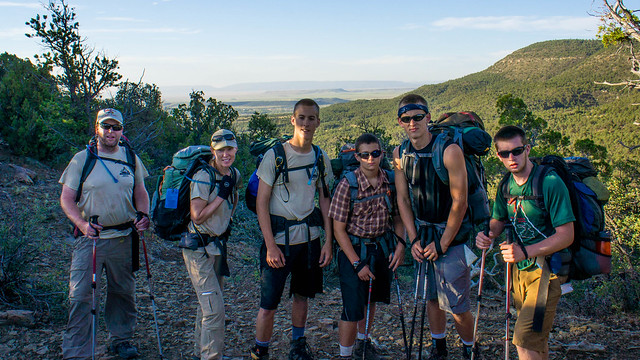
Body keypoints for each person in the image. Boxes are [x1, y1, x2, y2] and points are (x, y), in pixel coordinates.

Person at [475, 125, 574, 360]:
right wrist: (486, 235)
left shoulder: (549, 183)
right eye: (504, 153)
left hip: (547, 270)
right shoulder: (506, 185)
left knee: (523, 339)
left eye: (517, 151)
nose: (512, 158)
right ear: (497, 155)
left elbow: (566, 235)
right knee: (535, 340)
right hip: (519, 272)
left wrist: (524, 251)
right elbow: (497, 222)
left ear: (527, 149)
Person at [59, 108, 150, 359]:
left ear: (122, 130)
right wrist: (82, 224)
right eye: (106, 126)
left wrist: (143, 215)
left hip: (124, 236)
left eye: (116, 127)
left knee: (123, 292)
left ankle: (121, 340)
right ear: (97, 128)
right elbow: (66, 199)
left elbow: (140, 191)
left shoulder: (131, 157)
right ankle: (77, 352)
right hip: (91, 239)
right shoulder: (81, 160)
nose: (111, 132)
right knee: (81, 296)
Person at [393, 94, 475, 360]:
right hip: (423, 233)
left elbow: (459, 202)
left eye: (418, 117)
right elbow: (403, 199)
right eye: (406, 119)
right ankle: (439, 347)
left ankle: (469, 349)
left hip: (451, 235)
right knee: (431, 296)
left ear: (428, 117)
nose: (412, 123)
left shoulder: (449, 151)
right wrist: (413, 239)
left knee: (456, 302)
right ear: (400, 122)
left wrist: (442, 243)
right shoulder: (400, 153)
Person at [250, 98, 333, 360]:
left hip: (309, 240)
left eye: (311, 118)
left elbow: (324, 199)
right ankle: (260, 349)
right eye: (301, 117)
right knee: (268, 304)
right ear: (292, 120)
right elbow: (261, 202)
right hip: (278, 241)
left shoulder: (320, 157)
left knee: (301, 296)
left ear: (318, 121)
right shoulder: (275, 156)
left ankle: (297, 345)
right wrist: (270, 245)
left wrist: (329, 241)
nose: (306, 123)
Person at [329, 133, 405, 359]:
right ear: (357, 156)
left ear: (381, 153)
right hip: (353, 250)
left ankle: (363, 343)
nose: (370, 159)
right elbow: (338, 229)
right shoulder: (347, 185)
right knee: (352, 308)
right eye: (365, 155)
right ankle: (346, 354)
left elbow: (398, 216)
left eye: (375, 154)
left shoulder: (390, 181)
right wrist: (356, 263)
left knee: (371, 301)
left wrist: (400, 246)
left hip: (380, 248)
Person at [181, 129, 242, 360]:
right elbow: (197, 216)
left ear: (235, 149)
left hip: (216, 246)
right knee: (214, 309)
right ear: (213, 150)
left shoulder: (233, 174)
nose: (225, 154)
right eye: (221, 150)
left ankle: (201, 353)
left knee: (207, 305)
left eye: (229, 149)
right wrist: (221, 194)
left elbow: (231, 207)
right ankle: (211, 357)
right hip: (198, 248)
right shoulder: (203, 176)